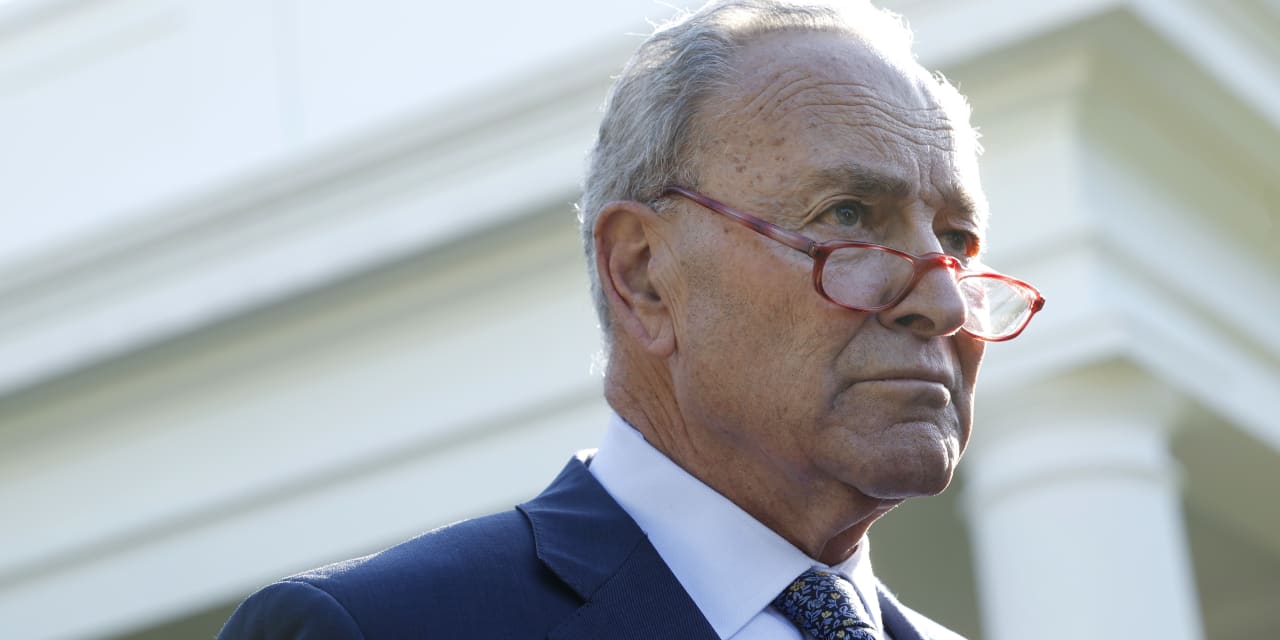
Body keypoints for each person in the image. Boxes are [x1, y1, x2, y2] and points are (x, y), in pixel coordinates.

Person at [218, 0, 1044, 638]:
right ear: (643, 274)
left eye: (957, 242)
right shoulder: (376, 628)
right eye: (849, 216)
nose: (943, 303)